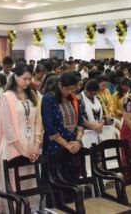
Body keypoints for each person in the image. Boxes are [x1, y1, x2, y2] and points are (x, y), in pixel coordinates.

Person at [0, 63, 42, 211]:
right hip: (13, 148)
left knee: (29, 187)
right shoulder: (6, 97)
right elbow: (8, 128)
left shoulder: (32, 95)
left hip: (31, 148)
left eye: (30, 79)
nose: (28, 82)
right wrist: (22, 151)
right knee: (15, 187)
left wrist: (36, 146)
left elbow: (37, 123)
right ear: (16, 77)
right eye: (25, 79)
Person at [41, 72, 84, 202]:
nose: (70, 91)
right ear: (60, 85)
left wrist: (77, 141)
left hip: (73, 147)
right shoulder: (48, 99)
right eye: (67, 89)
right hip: (55, 147)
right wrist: (66, 144)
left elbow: (80, 122)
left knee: (72, 181)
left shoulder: (73, 98)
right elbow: (49, 127)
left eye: (73, 89)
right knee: (56, 183)